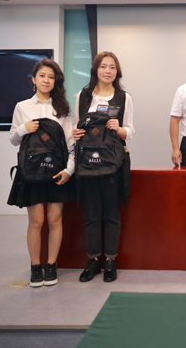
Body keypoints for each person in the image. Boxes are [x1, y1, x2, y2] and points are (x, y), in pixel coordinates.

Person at [9, 58, 74, 287]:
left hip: (58, 172)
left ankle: (52, 265)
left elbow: (71, 145)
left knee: (55, 219)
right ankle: (35, 267)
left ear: (56, 82)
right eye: (42, 76)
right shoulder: (22, 107)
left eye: (51, 77)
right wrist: (23, 129)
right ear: (34, 80)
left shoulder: (63, 109)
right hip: (32, 173)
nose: (47, 80)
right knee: (36, 221)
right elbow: (13, 140)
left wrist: (69, 170)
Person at [73, 51, 135, 283]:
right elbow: (75, 126)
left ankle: (110, 260)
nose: (107, 71)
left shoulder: (123, 97)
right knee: (91, 213)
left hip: (114, 164)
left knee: (111, 213)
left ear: (117, 72)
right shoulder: (83, 96)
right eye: (103, 66)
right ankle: (92, 261)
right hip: (87, 163)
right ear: (95, 70)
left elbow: (130, 130)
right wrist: (74, 133)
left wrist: (120, 129)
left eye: (112, 67)